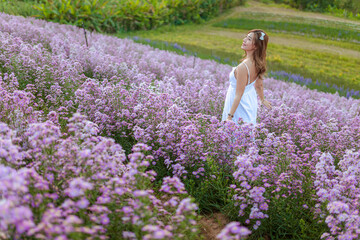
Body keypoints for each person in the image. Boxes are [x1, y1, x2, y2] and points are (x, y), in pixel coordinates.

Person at [222, 29, 272, 126]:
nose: (244, 40)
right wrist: (262, 99)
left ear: (256, 46)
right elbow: (259, 85)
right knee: (247, 128)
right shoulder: (258, 63)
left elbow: (238, 94)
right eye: (246, 37)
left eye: (249, 39)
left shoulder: (243, 67)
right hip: (250, 99)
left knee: (235, 131)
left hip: (238, 103)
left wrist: (229, 117)